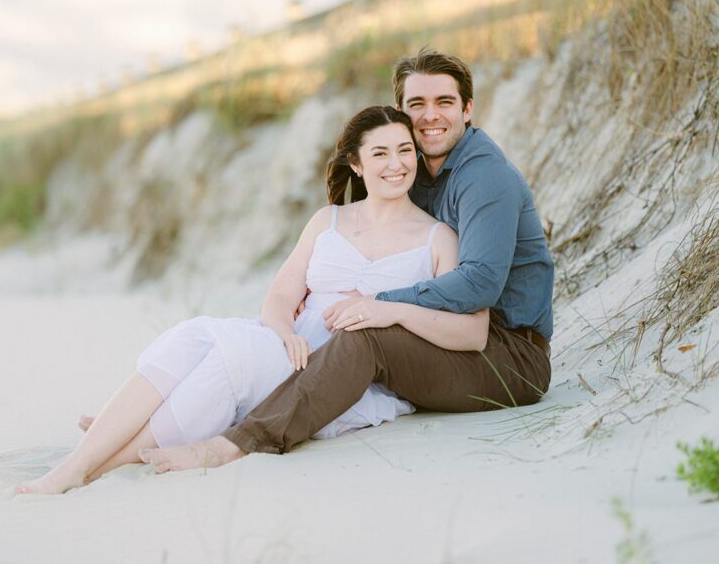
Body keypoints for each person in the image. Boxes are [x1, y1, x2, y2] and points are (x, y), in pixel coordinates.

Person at [15, 105, 486, 494]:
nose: (396, 163)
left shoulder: (438, 239)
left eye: (405, 150)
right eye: (380, 153)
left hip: (343, 378)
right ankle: (101, 449)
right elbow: (281, 295)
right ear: (357, 165)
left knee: (227, 363)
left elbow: (468, 332)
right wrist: (283, 332)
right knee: (194, 335)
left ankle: (92, 461)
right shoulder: (329, 221)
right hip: (292, 348)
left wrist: (389, 310)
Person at [139, 46, 554, 473]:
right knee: (295, 337)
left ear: (468, 109)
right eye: (418, 105)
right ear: (400, 112)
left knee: (365, 336)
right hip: (445, 335)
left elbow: (481, 282)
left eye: (444, 102)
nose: (431, 115)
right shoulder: (420, 169)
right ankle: (170, 421)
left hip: (509, 357)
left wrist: (380, 299)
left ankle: (237, 444)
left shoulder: (484, 176)